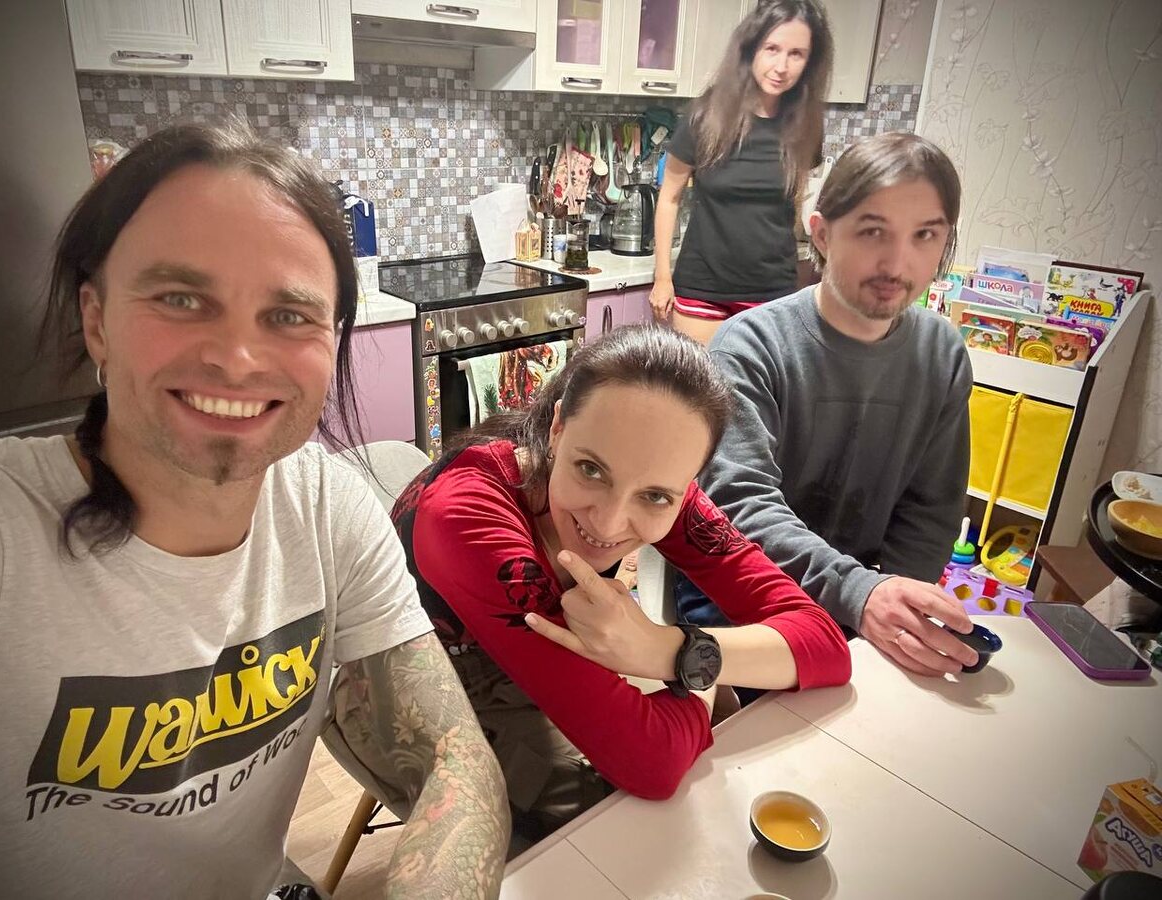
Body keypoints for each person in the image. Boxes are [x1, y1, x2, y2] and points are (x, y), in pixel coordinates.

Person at [0, 121, 509, 898]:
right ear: (97, 320)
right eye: (181, 298)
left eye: (289, 315)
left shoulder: (327, 509)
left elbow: (455, 755)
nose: (237, 359)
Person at [335, 325, 851, 848]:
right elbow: (651, 763)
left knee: (704, 744)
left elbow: (825, 644)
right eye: (590, 470)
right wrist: (699, 672)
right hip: (405, 685)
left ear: (687, 482)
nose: (608, 523)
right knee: (602, 828)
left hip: (537, 653)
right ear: (557, 427)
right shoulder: (466, 514)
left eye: (656, 496)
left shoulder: (658, 483)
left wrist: (672, 650)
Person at [677, 131, 981, 679]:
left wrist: (897, 609)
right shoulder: (750, 346)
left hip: (857, 603)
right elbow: (741, 506)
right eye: (872, 231)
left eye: (925, 235)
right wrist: (860, 593)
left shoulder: (942, 354)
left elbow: (930, 512)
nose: (897, 262)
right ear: (821, 234)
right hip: (741, 599)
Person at [650, 0, 833, 345]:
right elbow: (669, 197)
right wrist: (662, 278)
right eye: (772, 49)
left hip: (772, 291)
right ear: (751, 49)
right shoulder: (707, 116)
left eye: (796, 54)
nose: (781, 66)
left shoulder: (806, 125)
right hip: (703, 287)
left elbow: (795, 197)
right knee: (701, 381)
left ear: (810, 62)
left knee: (759, 383)